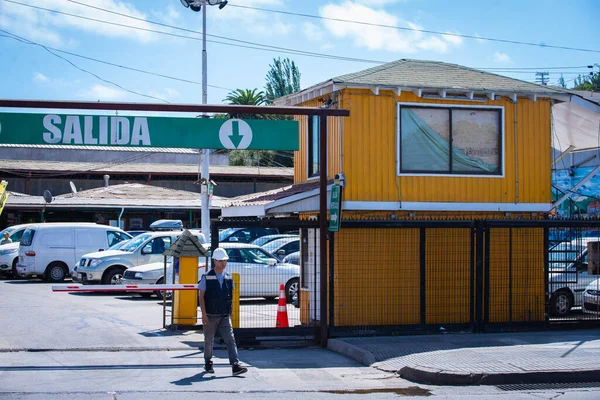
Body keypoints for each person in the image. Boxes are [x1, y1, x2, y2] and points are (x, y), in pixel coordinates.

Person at [198, 247, 247, 376]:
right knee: (209, 339)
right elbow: (201, 296)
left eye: (224, 260)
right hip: (210, 314)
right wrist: (203, 314)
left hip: (224, 315)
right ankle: (208, 362)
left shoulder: (229, 278)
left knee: (230, 339)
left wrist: (230, 310)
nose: (223, 263)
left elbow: (229, 295)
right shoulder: (207, 277)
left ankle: (235, 365)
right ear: (214, 261)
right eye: (220, 261)